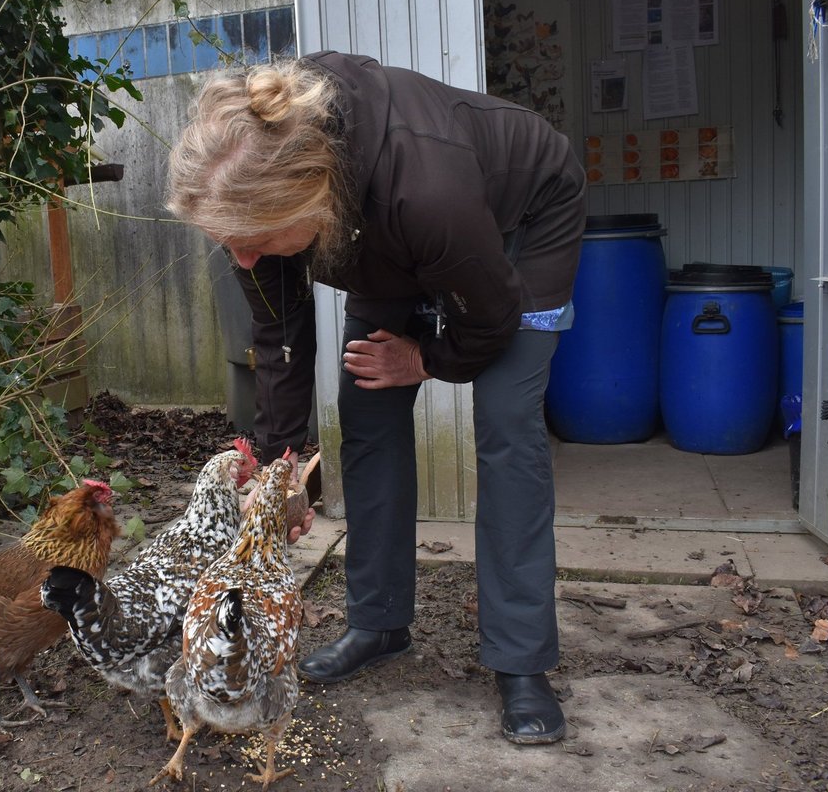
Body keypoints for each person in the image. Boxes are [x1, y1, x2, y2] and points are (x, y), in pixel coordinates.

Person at [165, 51, 586, 745]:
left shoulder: (427, 192)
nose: (241, 259)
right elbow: (278, 334)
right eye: (226, 244)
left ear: (306, 203)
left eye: (252, 242)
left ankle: (521, 660)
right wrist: (279, 466)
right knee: (364, 411)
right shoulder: (261, 187)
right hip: (384, 237)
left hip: (521, 223)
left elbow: (490, 320)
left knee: (507, 426)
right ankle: (379, 622)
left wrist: (424, 358)